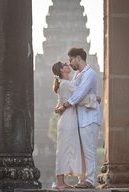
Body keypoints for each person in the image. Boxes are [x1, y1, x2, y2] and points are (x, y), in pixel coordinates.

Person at [56, 47, 101, 189]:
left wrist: (65, 105)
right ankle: (83, 180)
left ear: (78, 58)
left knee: (89, 150)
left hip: (89, 117)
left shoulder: (90, 74)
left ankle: (90, 180)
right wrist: (93, 99)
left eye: (71, 60)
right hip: (79, 118)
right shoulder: (77, 75)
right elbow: (73, 94)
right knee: (82, 151)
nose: (69, 63)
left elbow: (79, 94)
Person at [51, 61, 83, 189]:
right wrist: (94, 98)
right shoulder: (66, 84)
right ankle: (60, 182)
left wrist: (59, 108)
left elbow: (58, 104)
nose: (67, 65)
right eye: (64, 65)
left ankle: (61, 181)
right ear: (61, 70)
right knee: (64, 150)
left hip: (66, 119)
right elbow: (80, 95)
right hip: (68, 120)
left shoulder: (64, 84)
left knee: (64, 149)